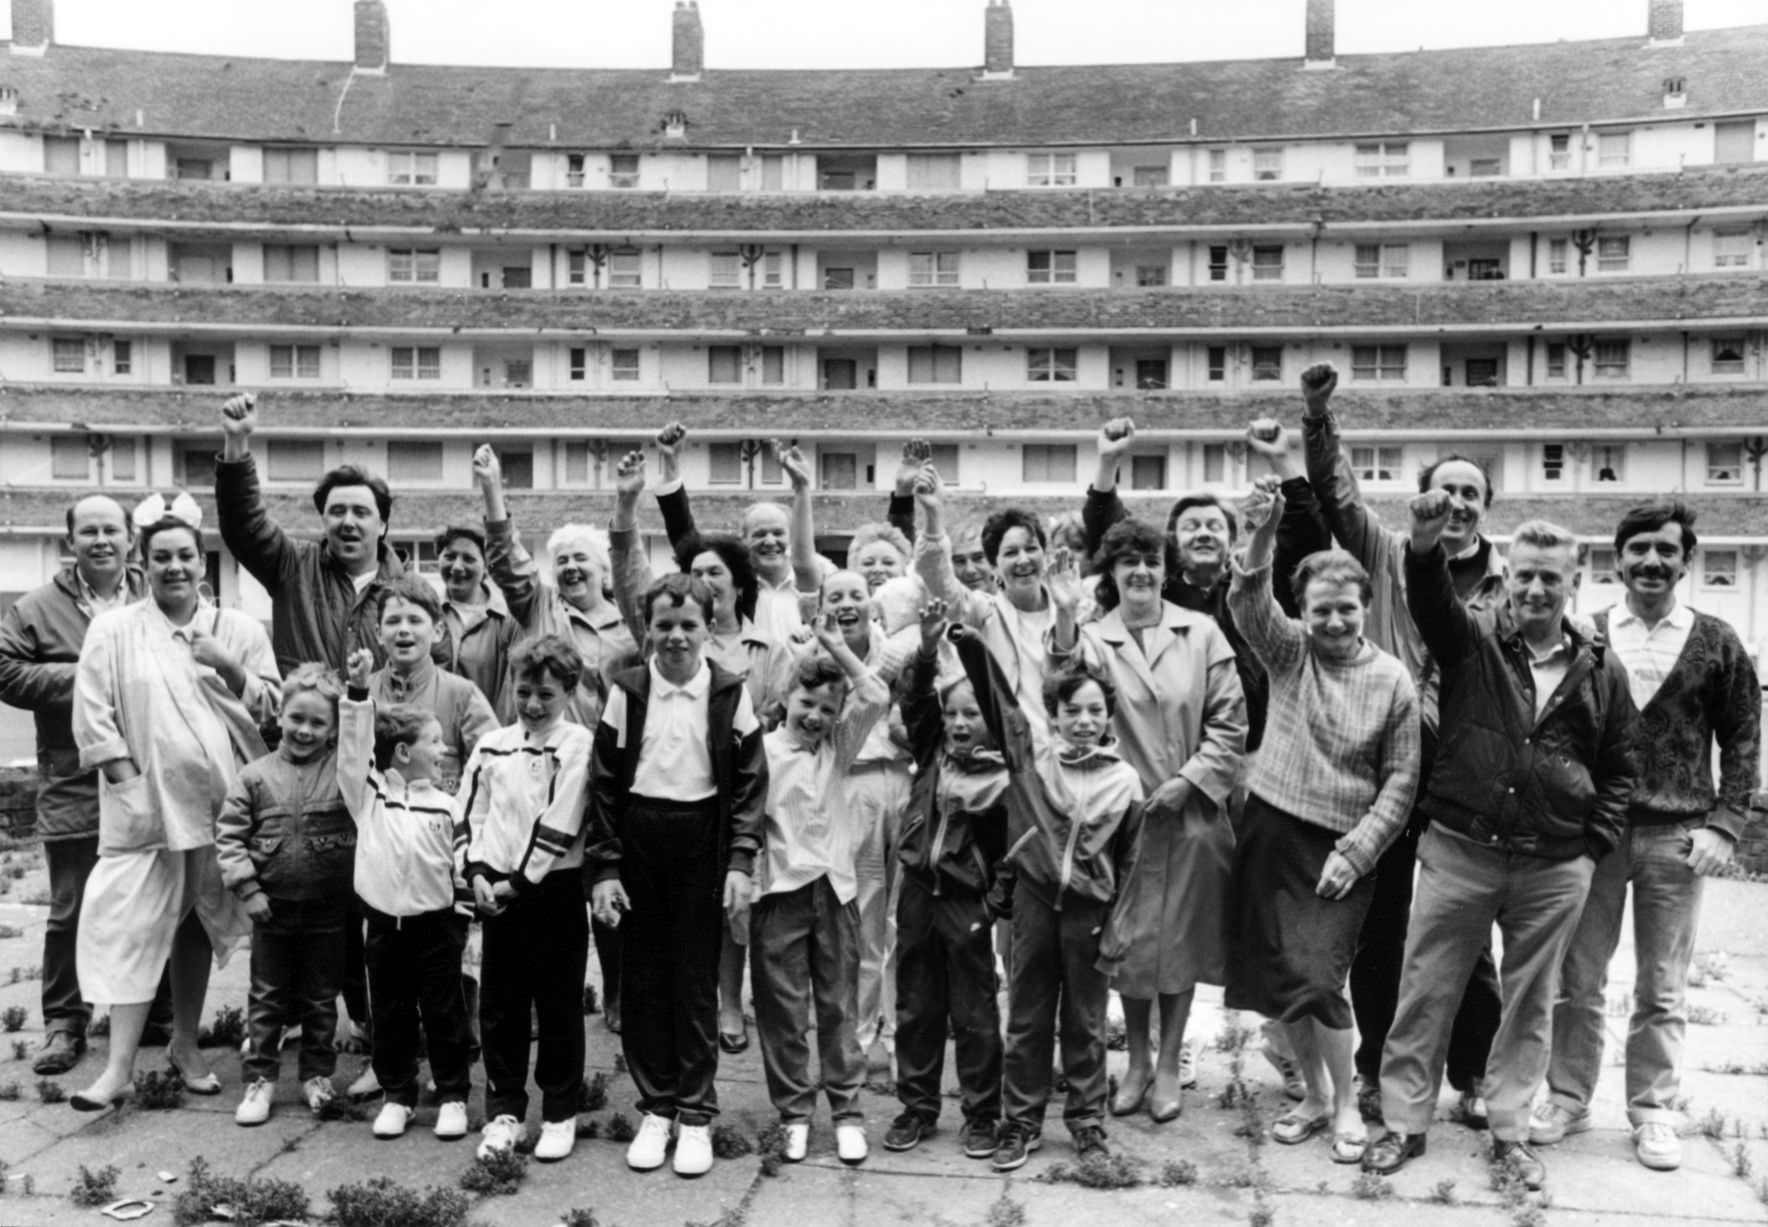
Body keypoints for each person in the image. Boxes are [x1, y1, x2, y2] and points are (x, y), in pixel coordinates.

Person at [1365, 509, 1637, 1189]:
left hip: (1554, 863)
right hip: (1461, 847)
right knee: (1426, 987)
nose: (1536, 589)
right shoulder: (1474, 637)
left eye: (1551, 576)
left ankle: (1511, 1128)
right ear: (1507, 577)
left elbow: (1622, 763)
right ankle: (1403, 1120)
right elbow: (1429, 600)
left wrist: (1588, 848)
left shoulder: (1601, 663)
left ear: (1575, 581)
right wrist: (1424, 548)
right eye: (1525, 575)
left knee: (1531, 999)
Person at [1298, 363, 1506, 1125]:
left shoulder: (1507, 585)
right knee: (1379, 929)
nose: (1455, 503)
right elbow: (1337, 491)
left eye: (1470, 494)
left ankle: (1473, 1071)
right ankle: (1377, 1069)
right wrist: (1319, 418)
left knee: (1464, 929)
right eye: (1444, 489)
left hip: (1462, 775)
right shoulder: (1384, 549)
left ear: (1486, 509)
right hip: (1385, 770)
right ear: (1424, 497)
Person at [1532, 502, 1760, 1172]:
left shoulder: (1717, 640)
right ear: (1618, 559)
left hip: (1678, 836)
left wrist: (1726, 824)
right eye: (1638, 550)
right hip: (1594, 834)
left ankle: (1653, 1109)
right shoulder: (1588, 633)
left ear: (1686, 559)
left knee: (1663, 983)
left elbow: (1743, 737)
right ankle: (1567, 1097)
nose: (1652, 562)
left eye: (1666, 550)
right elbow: (1558, 729)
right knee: (1578, 977)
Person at [1224, 480, 1421, 1167]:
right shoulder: (1290, 653)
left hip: (1340, 846)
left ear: (1366, 608)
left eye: (1345, 608)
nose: (1333, 621)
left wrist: (1359, 851)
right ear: (1303, 613)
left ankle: (1343, 1103)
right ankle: (1310, 1095)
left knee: (1319, 975)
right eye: (1320, 610)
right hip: (1271, 828)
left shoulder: (1393, 679)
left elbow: (1401, 780)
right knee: (1282, 977)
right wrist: (1261, 533)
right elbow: (1249, 603)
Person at [68, 511, 279, 1110]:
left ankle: (185, 1045)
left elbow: (273, 707)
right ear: (144, 561)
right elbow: (92, 713)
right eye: (162, 556)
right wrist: (129, 782)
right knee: (133, 927)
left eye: (185, 554)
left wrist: (228, 664)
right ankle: (118, 1070)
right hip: (147, 808)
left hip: (222, 808)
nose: (175, 566)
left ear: (202, 559)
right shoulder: (113, 630)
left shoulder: (236, 627)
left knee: (198, 922)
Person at [1057, 519, 1247, 1124]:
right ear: (1111, 574)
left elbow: (1229, 725)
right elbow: (1060, 693)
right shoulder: (1091, 639)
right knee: (1132, 945)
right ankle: (1135, 1063)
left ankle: (1169, 1063)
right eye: (1128, 561)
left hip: (1190, 816)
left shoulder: (1204, 633)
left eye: (1151, 560)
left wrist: (1187, 782)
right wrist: (1063, 617)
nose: (1141, 570)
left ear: (1167, 569)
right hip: (1120, 821)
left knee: (1182, 944)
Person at [609, 448, 797, 1055]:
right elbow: (631, 575)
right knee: (674, 927)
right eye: (699, 570)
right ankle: (667, 1031)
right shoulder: (661, 642)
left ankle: (727, 1004)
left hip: (745, 789)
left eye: (718, 573)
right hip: (668, 806)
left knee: (733, 908)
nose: (706, 579)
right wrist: (633, 500)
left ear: (733, 586)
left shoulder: (758, 646)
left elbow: (779, 710)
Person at [586, 574, 767, 1179]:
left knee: (695, 980)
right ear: (647, 630)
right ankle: (656, 1106)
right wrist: (606, 867)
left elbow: (747, 783)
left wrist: (741, 860)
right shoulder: (629, 691)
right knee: (644, 981)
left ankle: (695, 1113)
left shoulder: (728, 691)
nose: (676, 637)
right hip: (639, 838)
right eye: (663, 625)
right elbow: (605, 783)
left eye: (689, 624)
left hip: (700, 844)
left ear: (709, 627)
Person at [951, 627, 1144, 1173]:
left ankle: (1086, 1122)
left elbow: (1133, 863)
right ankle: (1022, 1122)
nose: (1083, 720)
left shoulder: (1126, 782)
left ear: (1108, 716)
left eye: (1094, 710)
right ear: (1054, 716)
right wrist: (970, 646)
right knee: (1029, 1019)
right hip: (1035, 906)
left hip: (1090, 913)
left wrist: (1118, 928)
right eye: (1071, 711)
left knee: (1085, 1023)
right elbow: (1004, 707)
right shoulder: (1032, 763)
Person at [0, 495, 174, 1077]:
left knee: (154, 901)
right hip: (74, 778)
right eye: (89, 531)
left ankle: (154, 1012)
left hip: (151, 775)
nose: (101, 540)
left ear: (131, 539)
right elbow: (6, 671)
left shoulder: (157, 593)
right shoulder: (35, 608)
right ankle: (63, 1024)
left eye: (112, 530)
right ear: (69, 540)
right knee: (71, 907)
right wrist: (90, 673)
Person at [751, 613, 892, 1166]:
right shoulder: (759, 752)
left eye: (828, 709)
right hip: (779, 895)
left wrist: (835, 644)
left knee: (838, 1005)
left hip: (835, 893)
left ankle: (848, 1109)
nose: (816, 716)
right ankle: (793, 1112)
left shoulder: (840, 747)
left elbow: (875, 692)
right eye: (807, 703)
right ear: (787, 697)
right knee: (783, 1010)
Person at [456, 636, 595, 1165]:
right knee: (500, 1004)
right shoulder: (492, 745)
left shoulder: (578, 744)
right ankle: (504, 1109)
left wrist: (521, 880)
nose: (534, 704)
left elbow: (562, 818)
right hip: (497, 892)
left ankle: (560, 1110)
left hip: (551, 889)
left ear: (567, 691)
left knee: (559, 1003)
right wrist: (475, 873)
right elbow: (470, 810)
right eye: (524, 692)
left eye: (546, 693)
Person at [885, 599, 1010, 1160]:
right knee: (916, 1003)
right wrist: (931, 648)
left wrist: (994, 898)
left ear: (989, 719)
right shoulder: (933, 746)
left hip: (967, 901)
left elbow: (1012, 850)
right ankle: (917, 1105)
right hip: (917, 893)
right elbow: (914, 699)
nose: (960, 724)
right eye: (953, 714)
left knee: (976, 1011)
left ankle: (982, 1113)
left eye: (972, 715)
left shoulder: (1006, 771)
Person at [339, 648, 475, 1142]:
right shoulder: (369, 794)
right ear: (402, 752)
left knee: (444, 1012)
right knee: (391, 1013)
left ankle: (454, 1094)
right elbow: (354, 751)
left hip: (437, 929)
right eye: (435, 742)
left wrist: (463, 919)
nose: (443, 751)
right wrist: (357, 693)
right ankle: (398, 1094)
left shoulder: (448, 805)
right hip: (383, 929)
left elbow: (462, 861)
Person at [216, 664, 354, 1126]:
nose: (305, 730)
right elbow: (230, 838)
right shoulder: (254, 777)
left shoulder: (344, 773)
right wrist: (248, 890)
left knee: (320, 1000)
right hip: (270, 909)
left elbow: (363, 733)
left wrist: (355, 689)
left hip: (329, 908)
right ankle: (260, 1079)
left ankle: (317, 1075)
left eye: (318, 722)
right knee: (267, 998)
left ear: (335, 730)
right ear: (281, 716)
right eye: (297, 717)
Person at [214, 392, 405, 676]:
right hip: (307, 719)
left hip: (376, 720)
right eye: (337, 511)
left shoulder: (405, 592)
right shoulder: (294, 565)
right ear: (323, 520)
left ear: (383, 526)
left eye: (361, 513)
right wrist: (236, 440)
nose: (348, 522)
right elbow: (243, 524)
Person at [475, 446, 636, 725]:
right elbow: (506, 559)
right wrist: (491, 487)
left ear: (603, 569)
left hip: (607, 756)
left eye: (580, 558)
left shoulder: (630, 622)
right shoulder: (540, 605)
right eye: (562, 561)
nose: (570, 567)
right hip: (539, 747)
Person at [649, 422, 835, 642]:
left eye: (778, 533)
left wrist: (802, 486)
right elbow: (685, 538)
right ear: (743, 541)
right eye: (759, 534)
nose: (769, 541)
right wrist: (671, 465)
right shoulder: (733, 587)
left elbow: (803, 561)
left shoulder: (811, 582)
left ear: (791, 537)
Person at [365, 576, 498, 797]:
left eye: (415, 620)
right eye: (393, 621)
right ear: (378, 633)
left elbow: (492, 770)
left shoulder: (463, 695)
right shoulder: (362, 695)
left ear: (437, 631)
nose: (404, 629)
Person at [433, 525, 521, 720]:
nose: (457, 566)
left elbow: (512, 688)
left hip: (488, 734)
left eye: (469, 558)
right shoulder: (427, 614)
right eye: (450, 556)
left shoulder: (508, 618)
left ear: (487, 566)